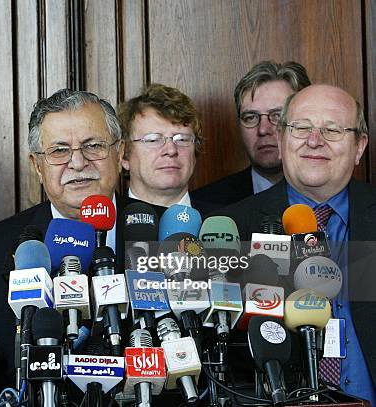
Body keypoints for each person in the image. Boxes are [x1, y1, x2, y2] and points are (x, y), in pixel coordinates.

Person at [0, 89, 124, 407]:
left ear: (120, 153)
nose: (77, 162)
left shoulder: (164, 235)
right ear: (37, 166)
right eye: (59, 151)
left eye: (93, 146)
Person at [221, 84, 375, 403]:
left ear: (359, 146)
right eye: (301, 127)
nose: (314, 141)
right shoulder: (233, 229)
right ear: (280, 138)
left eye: (331, 130)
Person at [192, 60, 311, 209]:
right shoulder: (206, 205)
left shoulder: (338, 197)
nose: (263, 129)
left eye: (277, 116)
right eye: (251, 117)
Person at [117, 83, 216, 216]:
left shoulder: (225, 222)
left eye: (182, 139)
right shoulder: (105, 228)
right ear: (124, 155)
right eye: (153, 139)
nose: (171, 150)